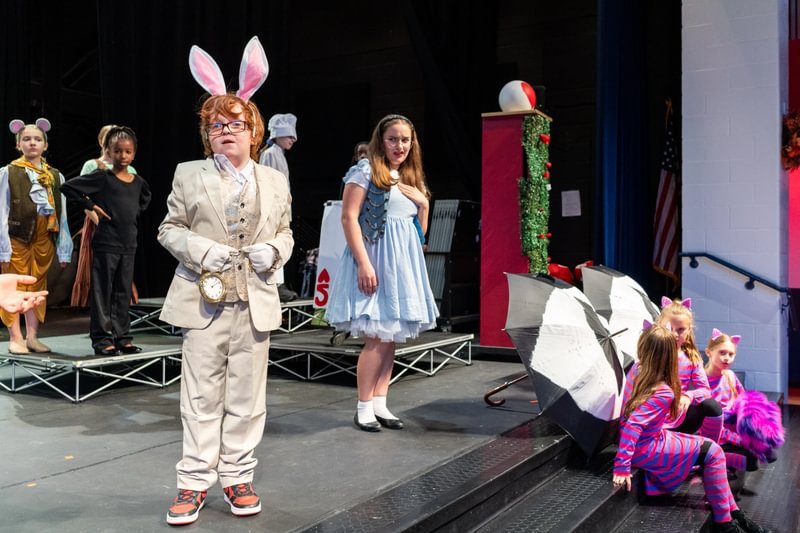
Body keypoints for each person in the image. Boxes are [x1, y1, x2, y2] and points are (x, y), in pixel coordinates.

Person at [158, 36, 293, 526]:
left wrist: (274, 250)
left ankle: (238, 475)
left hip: (254, 300)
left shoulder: (275, 180)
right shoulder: (188, 174)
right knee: (199, 397)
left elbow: (286, 232)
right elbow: (168, 229)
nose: (226, 131)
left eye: (235, 124)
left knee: (246, 397)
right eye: (217, 124)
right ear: (207, 132)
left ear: (253, 131)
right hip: (203, 298)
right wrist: (204, 249)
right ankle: (194, 482)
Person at [326, 114, 438, 432]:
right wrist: (364, 263)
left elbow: (419, 237)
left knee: (390, 340)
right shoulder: (365, 172)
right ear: (381, 140)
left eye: (405, 139)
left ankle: (380, 403)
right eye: (393, 139)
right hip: (374, 262)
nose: (399, 145)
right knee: (376, 338)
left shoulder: (411, 178)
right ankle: (363, 406)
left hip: (401, 269)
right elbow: (349, 218)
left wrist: (424, 206)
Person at [613, 324, 770, 533]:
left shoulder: (638, 369)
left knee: (712, 449)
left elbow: (636, 417)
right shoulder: (664, 391)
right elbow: (633, 425)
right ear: (670, 356)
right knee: (713, 453)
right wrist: (622, 466)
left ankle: (734, 514)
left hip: (651, 439)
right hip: (647, 447)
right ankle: (726, 523)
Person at [62, 126, 151, 355]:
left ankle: (123, 337)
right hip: (105, 243)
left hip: (128, 244)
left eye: (127, 152)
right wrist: (91, 206)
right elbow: (68, 187)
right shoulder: (102, 177)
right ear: (109, 152)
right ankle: (102, 340)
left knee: (122, 292)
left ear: (134, 153)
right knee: (103, 292)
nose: (123, 156)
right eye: (118, 151)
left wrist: (130, 216)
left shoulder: (138, 182)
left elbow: (144, 200)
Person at [0, 119, 72, 354]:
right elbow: (2, 211)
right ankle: (16, 337)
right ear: (18, 145)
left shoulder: (55, 176)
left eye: (37, 139)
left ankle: (32, 336)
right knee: (14, 287)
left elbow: (61, 214)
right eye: (27, 139)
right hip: (17, 237)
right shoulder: (8, 172)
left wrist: (64, 248)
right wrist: (3, 248)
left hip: (44, 238)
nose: (32, 143)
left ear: (45, 145)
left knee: (37, 288)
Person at [622, 298, 724, 441]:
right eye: (670, 328)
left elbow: (705, 391)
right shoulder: (649, 358)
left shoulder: (692, 359)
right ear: (660, 327)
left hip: (679, 417)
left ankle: (709, 450)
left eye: (681, 329)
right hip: (651, 421)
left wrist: (688, 396)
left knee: (712, 406)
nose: (675, 334)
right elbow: (631, 395)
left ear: (689, 331)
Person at [71, 124, 139, 308]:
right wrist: (99, 220)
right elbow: (82, 196)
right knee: (100, 268)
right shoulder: (93, 165)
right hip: (98, 222)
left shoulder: (130, 170)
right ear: (103, 141)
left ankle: (119, 307)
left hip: (122, 226)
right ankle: (99, 308)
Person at [705, 328, 783, 468]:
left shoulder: (730, 375)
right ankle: (716, 458)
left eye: (731, 354)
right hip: (718, 434)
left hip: (734, 428)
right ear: (709, 352)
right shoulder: (703, 382)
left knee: (769, 453)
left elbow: (744, 399)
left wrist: (756, 425)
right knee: (751, 461)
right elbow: (714, 425)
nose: (727, 358)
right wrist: (740, 441)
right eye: (722, 352)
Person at [259, 113, 297, 302]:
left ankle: (278, 283)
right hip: (273, 208)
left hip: (281, 207)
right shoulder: (270, 154)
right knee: (274, 242)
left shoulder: (278, 154)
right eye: (289, 136)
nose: (293, 140)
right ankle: (275, 284)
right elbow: (267, 182)